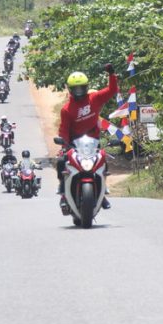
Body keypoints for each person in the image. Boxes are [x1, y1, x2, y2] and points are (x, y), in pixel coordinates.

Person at [56, 63, 118, 214]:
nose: (79, 91)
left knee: (102, 161)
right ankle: (64, 192)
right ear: (70, 89)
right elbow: (64, 129)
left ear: (86, 87)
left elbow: (112, 90)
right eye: (75, 89)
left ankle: (102, 192)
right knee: (60, 162)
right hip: (74, 144)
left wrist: (111, 74)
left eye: (81, 88)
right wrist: (64, 145)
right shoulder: (66, 109)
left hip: (93, 141)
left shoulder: (94, 98)